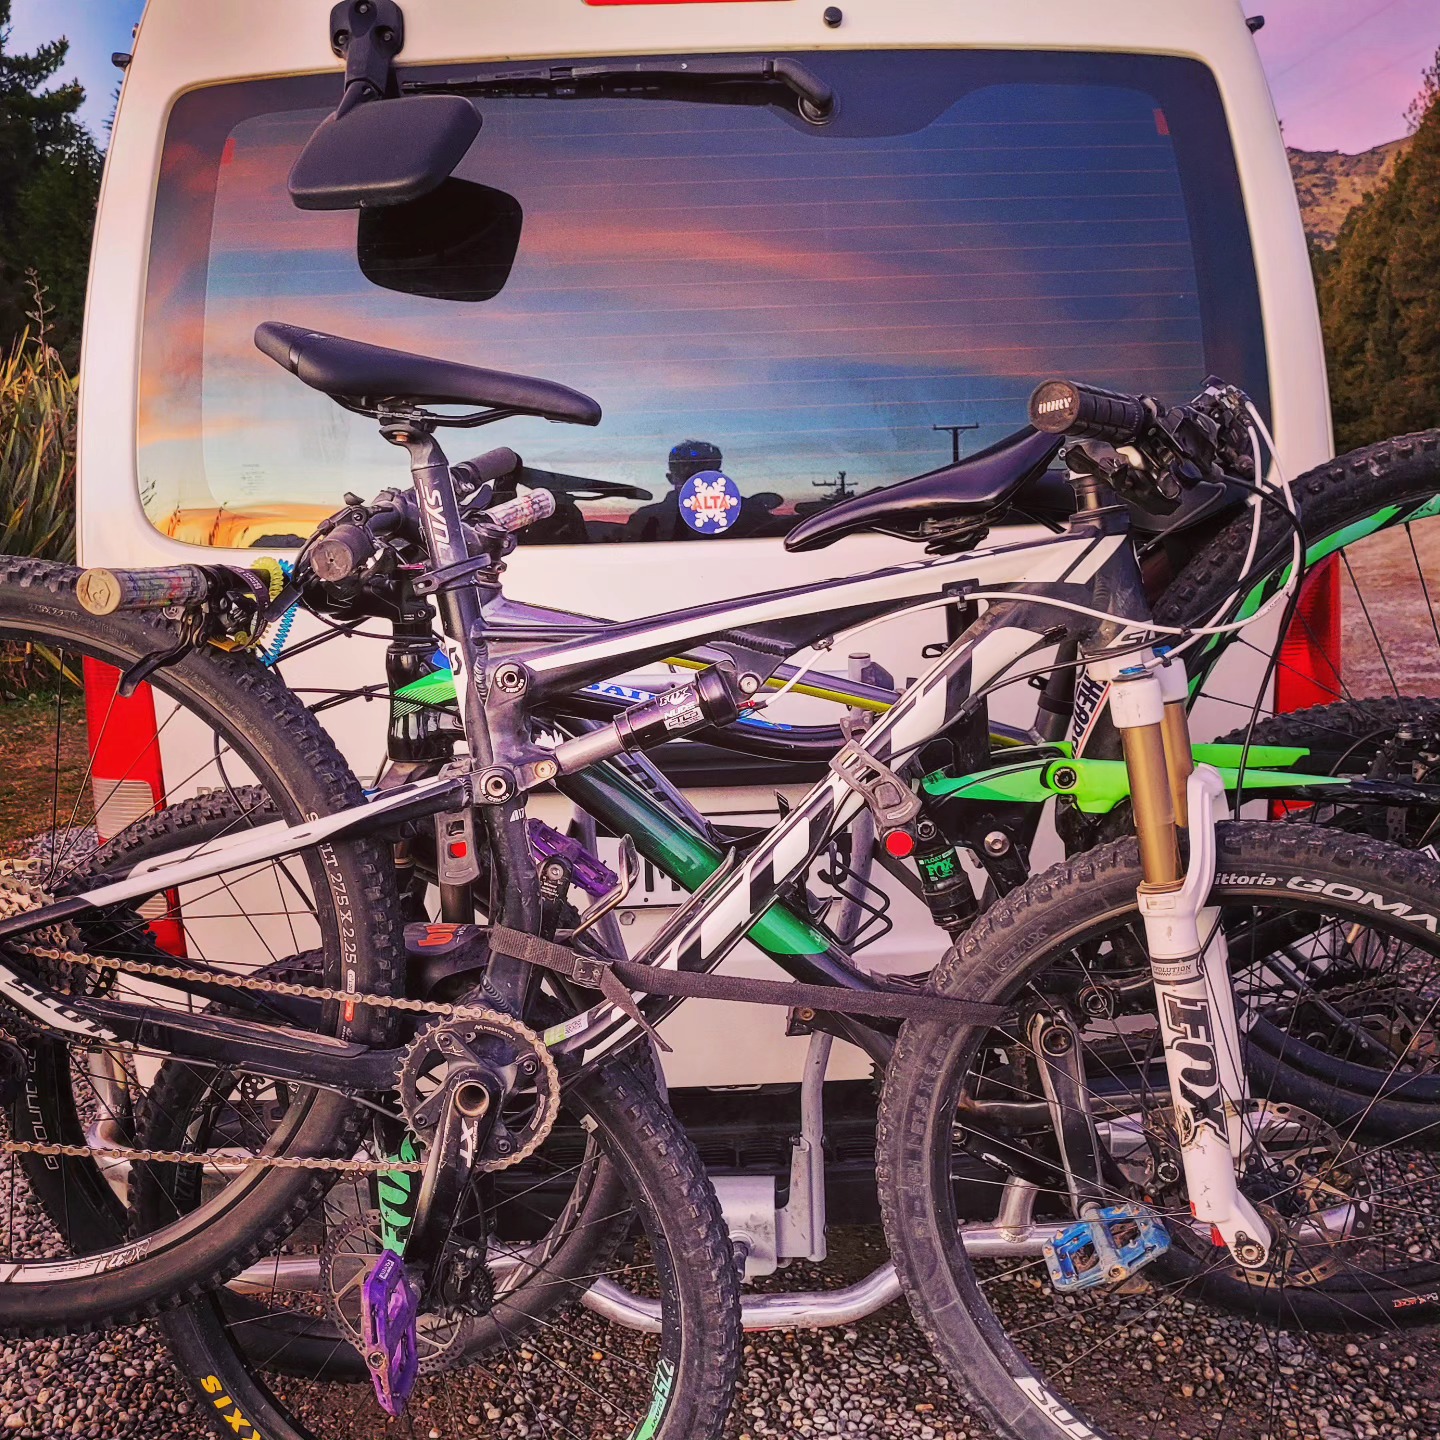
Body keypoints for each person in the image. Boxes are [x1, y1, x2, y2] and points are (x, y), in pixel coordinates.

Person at [626, 439, 727, 541]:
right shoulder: (646, 519)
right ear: (670, 478)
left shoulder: (646, 516)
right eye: (689, 477)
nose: (698, 483)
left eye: (705, 476)